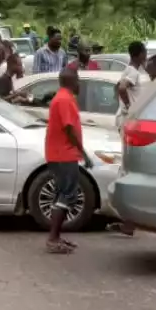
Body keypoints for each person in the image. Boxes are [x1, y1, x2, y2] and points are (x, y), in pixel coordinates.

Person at [43, 68, 91, 254]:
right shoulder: (64, 100)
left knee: (62, 194)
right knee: (67, 195)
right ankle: (53, 239)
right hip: (64, 154)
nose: (80, 84)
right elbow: (69, 129)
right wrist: (82, 152)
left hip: (60, 154)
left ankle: (55, 237)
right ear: (72, 81)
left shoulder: (64, 98)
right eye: (78, 80)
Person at [108, 42, 149, 237]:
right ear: (140, 54)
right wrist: (129, 108)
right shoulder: (132, 72)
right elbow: (122, 88)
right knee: (127, 168)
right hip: (127, 121)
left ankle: (129, 221)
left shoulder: (128, 70)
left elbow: (119, 87)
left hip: (124, 120)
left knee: (127, 167)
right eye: (145, 53)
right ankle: (128, 220)